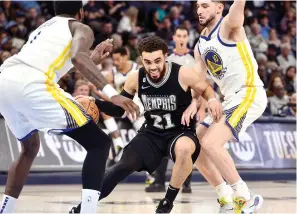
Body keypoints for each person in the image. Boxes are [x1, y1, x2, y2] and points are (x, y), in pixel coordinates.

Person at [0, 1, 139, 213]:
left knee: (29, 149)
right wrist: (113, 95)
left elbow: (64, 62)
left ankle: (5, 210)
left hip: (5, 81)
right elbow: (76, 57)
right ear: (81, 12)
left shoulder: (44, 27)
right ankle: (88, 211)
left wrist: (91, 58)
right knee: (99, 143)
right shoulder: (81, 27)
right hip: (32, 84)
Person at [69, 35, 222, 214]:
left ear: (165, 56)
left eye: (157, 61)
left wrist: (211, 100)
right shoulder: (136, 78)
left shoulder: (182, 73)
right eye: (148, 62)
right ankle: (83, 207)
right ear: (142, 60)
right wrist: (94, 102)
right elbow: (119, 110)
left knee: (183, 149)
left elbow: (205, 88)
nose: (153, 67)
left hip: (180, 131)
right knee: (122, 166)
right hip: (151, 133)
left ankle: (167, 203)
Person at [182, 0, 267, 213]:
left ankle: (245, 198)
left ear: (219, 7)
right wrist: (194, 102)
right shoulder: (200, 44)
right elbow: (199, 79)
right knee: (195, 144)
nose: (199, 10)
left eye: (205, 6)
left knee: (211, 143)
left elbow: (238, 8)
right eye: (198, 6)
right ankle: (225, 195)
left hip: (250, 91)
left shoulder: (229, 25)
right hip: (229, 98)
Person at [145, 26, 197, 194]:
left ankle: (186, 184)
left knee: (186, 148)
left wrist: (197, 105)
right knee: (161, 146)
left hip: (187, 108)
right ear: (174, 38)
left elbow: (201, 86)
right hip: (166, 107)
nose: (182, 38)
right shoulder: (168, 59)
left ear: (188, 37)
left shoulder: (194, 59)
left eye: (184, 35)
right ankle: (159, 182)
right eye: (179, 35)